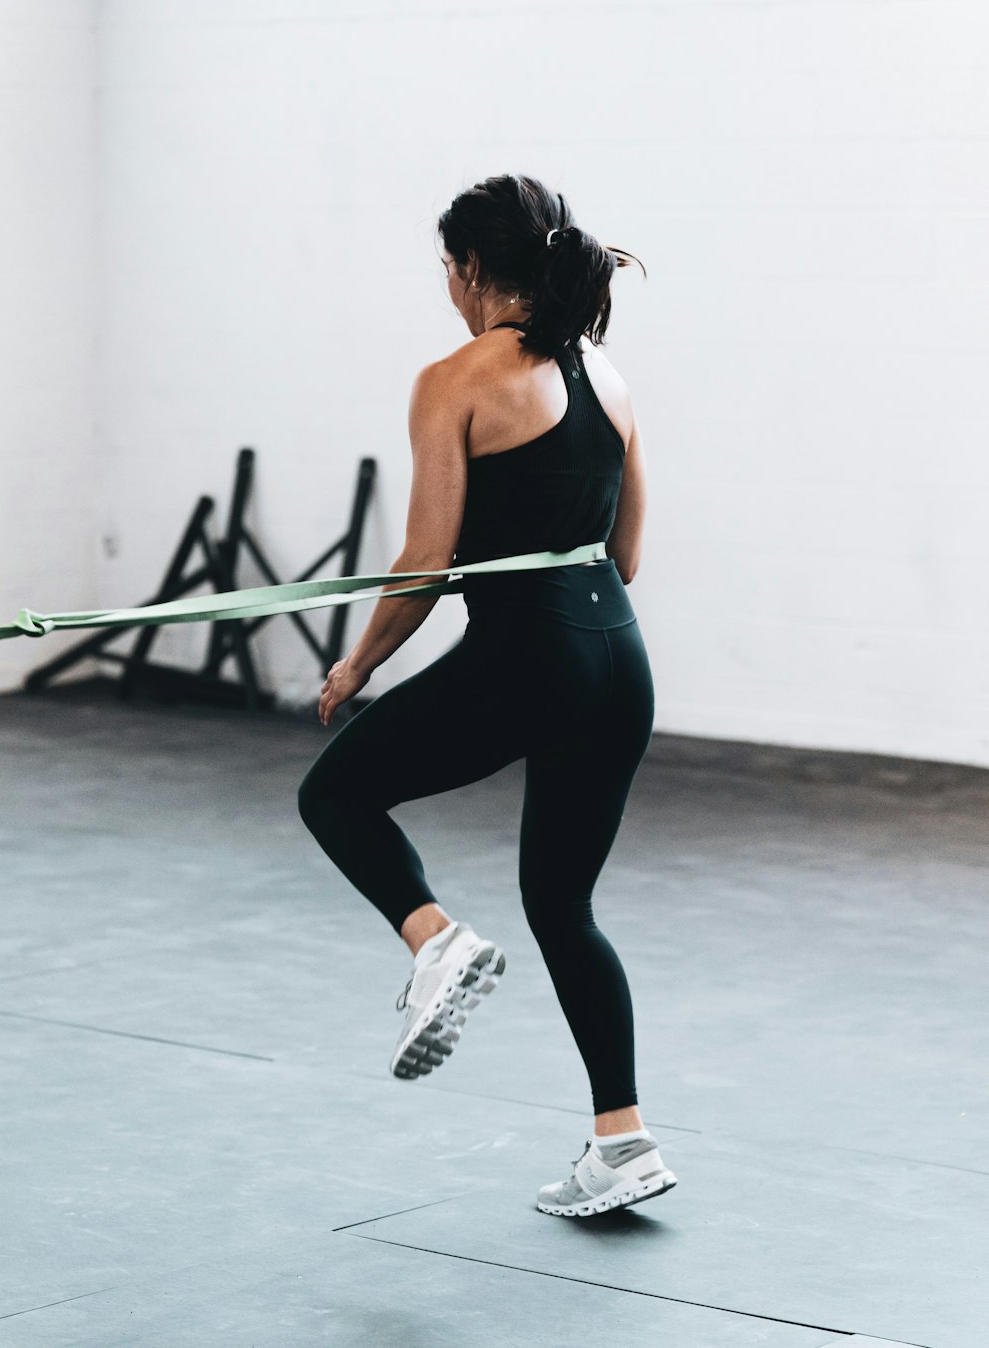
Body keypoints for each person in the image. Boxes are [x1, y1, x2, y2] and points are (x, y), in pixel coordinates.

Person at [297, 173, 677, 1217]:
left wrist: (358, 663)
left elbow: (423, 561)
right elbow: (627, 554)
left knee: (333, 795)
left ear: (468, 271)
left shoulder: (456, 378)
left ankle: (436, 940)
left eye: (447, 273)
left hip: (530, 656)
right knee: (563, 907)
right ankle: (623, 1141)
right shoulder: (608, 375)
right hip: (617, 659)